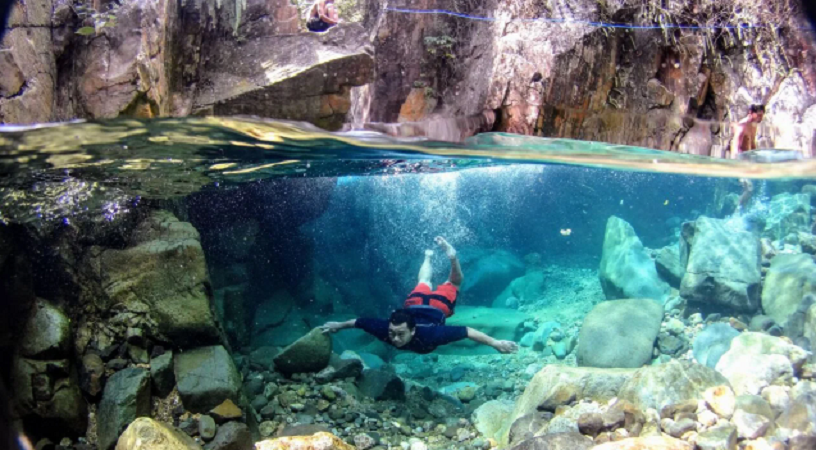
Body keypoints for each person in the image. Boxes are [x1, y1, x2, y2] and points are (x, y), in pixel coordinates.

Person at [320, 237, 519, 354]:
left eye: (399, 334)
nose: (395, 338)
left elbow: (467, 331)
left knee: (434, 282)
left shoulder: (430, 334)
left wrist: (495, 343)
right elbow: (360, 322)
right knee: (431, 282)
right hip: (417, 305)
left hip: (433, 306)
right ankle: (443, 257)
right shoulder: (387, 329)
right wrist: (338, 325)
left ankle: (440, 257)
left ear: (414, 331)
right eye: (392, 334)